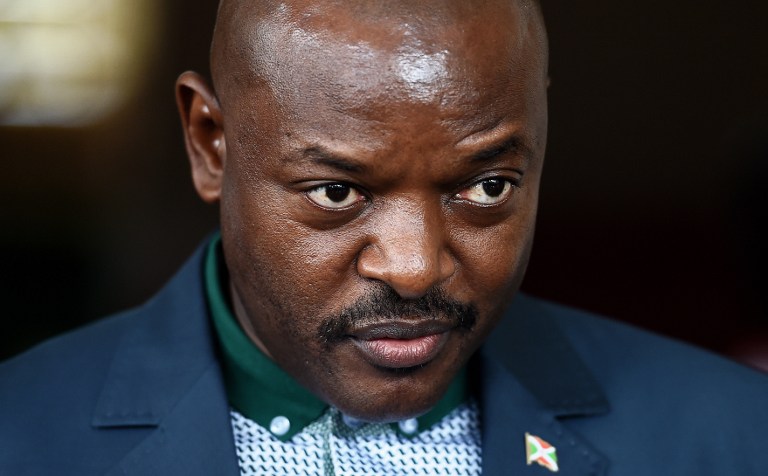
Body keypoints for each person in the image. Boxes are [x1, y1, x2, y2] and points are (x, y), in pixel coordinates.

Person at [1, 0, 767, 474]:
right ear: (210, 144)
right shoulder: (21, 437)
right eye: (337, 193)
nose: (415, 267)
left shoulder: (733, 436)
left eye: (487, 187)